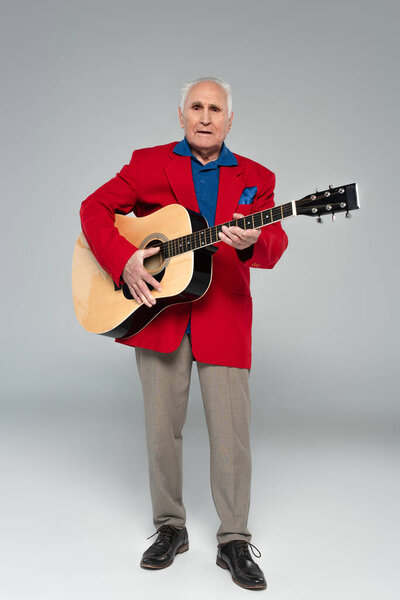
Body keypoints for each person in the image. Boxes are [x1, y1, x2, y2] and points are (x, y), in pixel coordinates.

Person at [79, 77, 288, 590]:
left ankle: (234, 539)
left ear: (229, 119)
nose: (205, 116)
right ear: (180, 115)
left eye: (215, 108)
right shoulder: (147, 163)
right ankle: (169, 527)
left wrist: (250, 242)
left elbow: (274, 246)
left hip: (224, 316)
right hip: (159, 314)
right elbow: (93, 210)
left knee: (231, 436)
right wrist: (123, 259)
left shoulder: (257, 177)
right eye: (196, 106)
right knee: (160, 429)